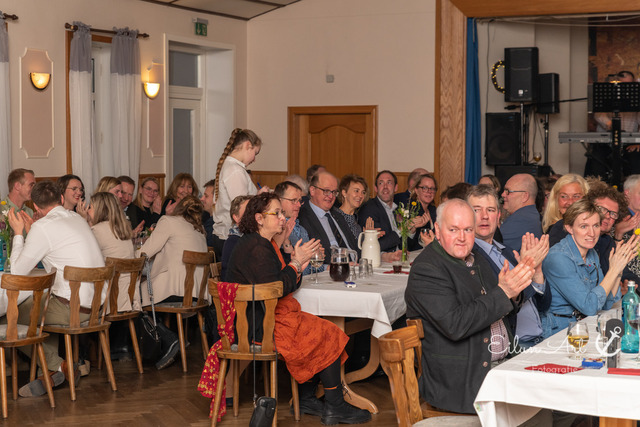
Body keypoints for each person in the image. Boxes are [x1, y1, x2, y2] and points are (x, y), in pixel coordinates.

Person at [225, 193, 371, 424]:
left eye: (282, 213)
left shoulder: (263, 243)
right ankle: (334, 406)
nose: (282, 218)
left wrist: (298, 264)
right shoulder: (255, 247)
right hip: (258, 326)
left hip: (267, 317)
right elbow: (276, 289)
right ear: (259, 219)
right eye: (276, 213)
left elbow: (286, 282)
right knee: (325, 332)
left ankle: (307, 398)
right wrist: (295, 263)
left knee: (324, 329)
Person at [405, 198, 534, 414]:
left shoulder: (475, 257)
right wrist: (504, 292)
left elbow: (497, 303)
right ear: (437, 230)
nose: (462, 238)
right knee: (543, 408)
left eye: (468, 229)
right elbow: (455, 324)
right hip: (464, 380)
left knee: (555, 399)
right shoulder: (427, 268)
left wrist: (513, 291)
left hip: (501, 364)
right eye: (453, 229)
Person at [8, 180, 105, 396]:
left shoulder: (43, 227)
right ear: (61, 199)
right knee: (40, 309)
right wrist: (33, 231)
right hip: (97, 308)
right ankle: (51, 373)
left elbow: (17, 273)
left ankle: (59, 366)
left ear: (35, 206)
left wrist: (18, 233)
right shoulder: (77, 219)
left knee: (9, 315)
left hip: (72, 309)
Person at [467, 185, 551, 349]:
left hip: (540, 339)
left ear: (498, 215)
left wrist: (536, 272)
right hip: (514, 346)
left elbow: (544, 305)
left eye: (490, 210)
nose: (484, 216)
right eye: (477, 210)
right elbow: (502, 301)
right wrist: (526, 268)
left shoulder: (507, 252)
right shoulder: (470, 257)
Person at [541, 200, 639, 338]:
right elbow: (590, 306)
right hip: (559, 331)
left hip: (584, 326)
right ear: (569, 228)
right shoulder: (558, 258)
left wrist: (618, 270)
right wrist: (613, 270)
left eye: (596, 225)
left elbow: (606, 303)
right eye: (584, 226)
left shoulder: (590, 252)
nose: (592, 233)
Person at [139, 195, 208, 369]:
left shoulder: (168, 221)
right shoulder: (199, 229)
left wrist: (128, 256)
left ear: (178, 208)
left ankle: (170, 339)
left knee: (133, 295)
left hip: (175, 291)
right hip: (198, 294)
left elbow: (144, 253)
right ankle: (170, 339)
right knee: (146, 292)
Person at [212, 129, 267, 242]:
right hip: (232, 236)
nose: (254, 159)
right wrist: (259, 197)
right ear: (248, 145)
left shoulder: (232, 167)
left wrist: (257, 195)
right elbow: (242, 208)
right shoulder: (235, 170)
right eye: (255, 153)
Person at [298, 171, 360, 264]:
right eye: (326, 191)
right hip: (329, 269)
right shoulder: (302, 217)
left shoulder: (338, 214)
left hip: (355, 267)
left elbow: (353, 246)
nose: (331, 196)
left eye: (334, 192)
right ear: (312, 190)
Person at [87, 192, 136, 311]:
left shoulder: (97, 230)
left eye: (90, 207)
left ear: (99, 210)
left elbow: (87, 261)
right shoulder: (123, 229)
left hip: (110, 300)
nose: (87, 211)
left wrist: (85, 223)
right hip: (128, 297)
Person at [587, 71, 640, 178]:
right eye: (622, 84)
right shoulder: (607, 96)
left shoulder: (636, 100)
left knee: (635, 161)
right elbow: (598, 114)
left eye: (628, 85)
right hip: (605, 143)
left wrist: (638, 143)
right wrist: (609, 123)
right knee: (596, 161)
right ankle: (598, 186)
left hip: (628, 143)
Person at [274, 181, 323, 276]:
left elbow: (309, 271)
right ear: (279, 201)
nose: (299, 205)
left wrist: (316, 256)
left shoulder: (302, 229)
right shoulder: (275, 229)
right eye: (293, 200)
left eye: (299, 201)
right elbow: (285, 272)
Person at [357, 171, 406, 252]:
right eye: (381, 183)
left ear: (396, 188)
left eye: (389, 183)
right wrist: (401, 230)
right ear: (376, 188)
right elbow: (376, 245)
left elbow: (407, 244)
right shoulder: (369, 209)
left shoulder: (397, 208)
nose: (385, 187)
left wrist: (411, 231)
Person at [500, 173, 542, 252]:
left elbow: (490, 245)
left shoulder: (520, 219)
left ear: (524, 196)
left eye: (508, 191)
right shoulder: (530, 215)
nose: (503, 194)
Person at [220, 195, 252, 281]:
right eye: (248, 211)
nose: (253, 214)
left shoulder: (252, 238)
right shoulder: (234, 241)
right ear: (236, 218)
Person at [407, 173, 438, 250]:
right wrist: (412, 230)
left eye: (432, 188)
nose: (429, 191)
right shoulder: (410, 210)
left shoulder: (434, 210)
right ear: (416, 190)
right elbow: (405, 245)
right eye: (424, 188)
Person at [336, 174, 368, 240]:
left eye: (363, 192)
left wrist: (368, 237)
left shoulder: (356, 224)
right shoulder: (335, 218)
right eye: (356, 191)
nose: (360, 196)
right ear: (344, 193)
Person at [200, 179, 224, 257]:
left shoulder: (214, 224)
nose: (202, 199)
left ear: (216, 199)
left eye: (206, 196)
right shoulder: (205, 218)